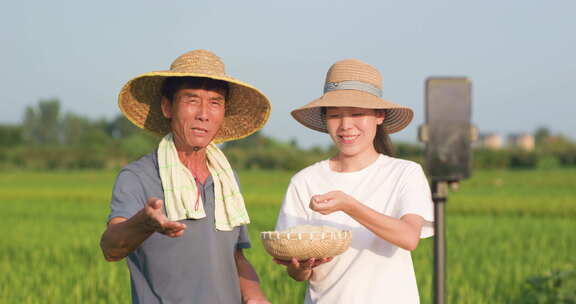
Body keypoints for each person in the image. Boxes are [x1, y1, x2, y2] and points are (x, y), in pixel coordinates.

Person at [99, 50, 271, 304]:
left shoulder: (225, 178)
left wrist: (255, 295)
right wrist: (145, 223)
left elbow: (233, 257)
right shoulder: (138, 177)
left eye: (215, 102)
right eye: (192, 100)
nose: (204, 113)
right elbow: (111, 248)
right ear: (168, 107)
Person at [274, 59, 434, 303]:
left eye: (357, 114)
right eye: (335, 115)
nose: (346, 126)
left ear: (379, 116)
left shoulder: (405, 173)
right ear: (325, 119)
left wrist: (349, 205)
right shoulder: (305, 181)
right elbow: (297, 272)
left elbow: (409, 237)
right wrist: (301, 267)